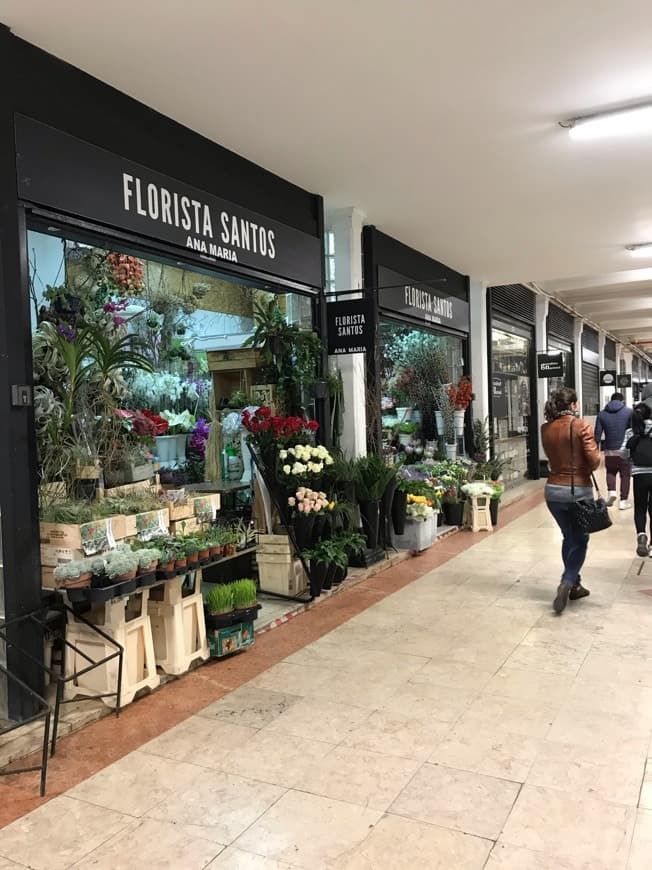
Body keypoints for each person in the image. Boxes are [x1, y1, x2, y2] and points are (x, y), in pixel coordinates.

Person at [542, 388, 600, 614]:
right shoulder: (581, 425)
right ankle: (567, 580)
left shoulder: (545, 428)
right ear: (573, 405)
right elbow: (594, 461)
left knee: (569, 536)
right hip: (578, 491)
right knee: (581, 539)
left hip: (553, 492)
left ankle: (575, 585)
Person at [620, 402, 652, 556]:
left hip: (639, 474)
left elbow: (623, 454)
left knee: (640, 507)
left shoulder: (630, 432)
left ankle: (641, 535)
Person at [594, 392, 632, 509]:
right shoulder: (629, 412)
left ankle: (611, 492)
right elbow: (632, 431)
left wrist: (595, 450)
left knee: (610, 471)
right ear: (622, 401)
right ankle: (623, 501)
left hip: (609, 449)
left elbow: (597, 435)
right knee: (625, 475)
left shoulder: (602, 414)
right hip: (625, 449)